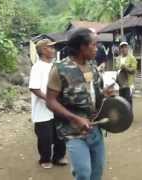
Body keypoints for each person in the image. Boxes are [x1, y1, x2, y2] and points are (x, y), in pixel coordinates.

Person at [46, 28, 114, 180]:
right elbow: (50, 101)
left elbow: (92, 96)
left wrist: (104, 94)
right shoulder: (60, 69)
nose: (97, 48)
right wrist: (74, 118)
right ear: (83, 47)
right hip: (73, 132)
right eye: (94, 45)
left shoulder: (93, 68)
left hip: (95, 129)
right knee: (83, 173)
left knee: (97, 172)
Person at [29, 39, 67, 169]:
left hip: (57, 107)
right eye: (51, 47)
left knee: (60, 134)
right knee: (45, 137)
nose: (54, 50)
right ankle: (45, 159)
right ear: (44, 50)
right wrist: (49, 99)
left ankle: (58, 157)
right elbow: (34, 87)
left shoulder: (55, 66)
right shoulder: (37, 67)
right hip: (42, 110)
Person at [115, 42, 137, 107]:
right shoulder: (118, 58)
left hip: (129, 84)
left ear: (127, 48)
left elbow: (134, 70)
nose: (123, 49)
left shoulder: (132, 58)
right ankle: (123, 116)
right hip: (120, 84)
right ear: (120, 49)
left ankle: (129, 116)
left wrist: (126, 68)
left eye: (125, 47)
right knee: (121, 101)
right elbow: (116, 68)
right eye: (122, 47)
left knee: (128, 101)